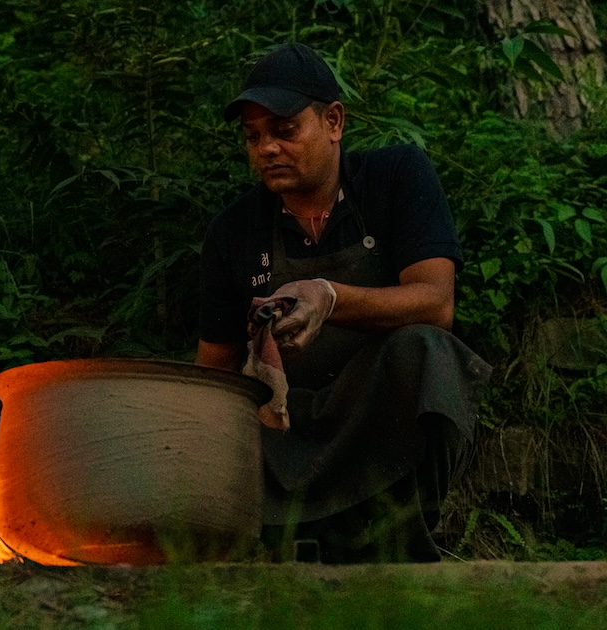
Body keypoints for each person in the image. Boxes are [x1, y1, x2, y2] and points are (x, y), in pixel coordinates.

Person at [197, 42, 491, 563]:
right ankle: (273, 545)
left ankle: (404, 543)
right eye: (253, 136)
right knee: (217, 414)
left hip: (374, 413)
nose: (266, 149)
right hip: (285, 430)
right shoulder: (233, 231)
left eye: (284, 130)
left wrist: (328, 297)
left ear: (333, 121)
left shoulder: (395, 177)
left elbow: (436, 302)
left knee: (427, 351)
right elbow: (212, 372)